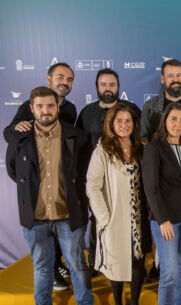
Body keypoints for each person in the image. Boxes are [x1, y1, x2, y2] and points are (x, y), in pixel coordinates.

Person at [5, 86, 95, 305]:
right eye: (40, 106)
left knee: (77, 265)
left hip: (68, 215)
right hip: (35, 218)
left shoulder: (76, 137)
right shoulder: (19, 138)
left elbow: (84, 173)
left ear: (57, 107)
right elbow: (13, 170)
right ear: (31, 109)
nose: (45, 111)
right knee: (42, 267)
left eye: (50, 106)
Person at [4, 62, 77, 291]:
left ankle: (59, 265)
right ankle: (53, 270)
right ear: (49, 79)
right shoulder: (29, 105)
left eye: (68, 79)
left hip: (60, 181)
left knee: (60, 226)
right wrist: (28, 181)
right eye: (60, 77)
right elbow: (10, 134)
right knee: (44, 232)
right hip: (37, 183)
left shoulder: (71, 109)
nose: (64, 82)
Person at [85, 103, 150, 305]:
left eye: (128, 121)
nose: (124, 125)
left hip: (139, 218)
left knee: (138, 262)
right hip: (114, 217)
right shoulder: (103, 149)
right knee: (115, 262)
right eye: (119, 121)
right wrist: (104, 217)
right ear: (111, 124)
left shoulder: (142, 147)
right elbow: (93, 185)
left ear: (134, 125)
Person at [140, 58, 181, 284]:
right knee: (165, 232)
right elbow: (145, 141)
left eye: (178, 75)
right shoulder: (151, 107)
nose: (175, 80)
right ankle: (162, 270)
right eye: (170, 76)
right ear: (162, 79)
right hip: (162, 179)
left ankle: (176, 279)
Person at [77, 68, 141, 275]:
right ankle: (99, 262)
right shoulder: (87, 113)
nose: (108, 88)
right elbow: (79, 146)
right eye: (103, 85)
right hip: (98, 178)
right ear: (97, 87)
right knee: (98, 220)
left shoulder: (131, 109)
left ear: (118, 87)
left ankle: (132, 261)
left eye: (112, 85)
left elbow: (139, 140)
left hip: (125, 181)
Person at [142, 102, 181, 305]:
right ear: (165, 121)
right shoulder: (154, 148)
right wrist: (162, 218)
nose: (178, 124)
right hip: (165, 220)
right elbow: (151, 187)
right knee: (170, 273)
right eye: (174, 119)